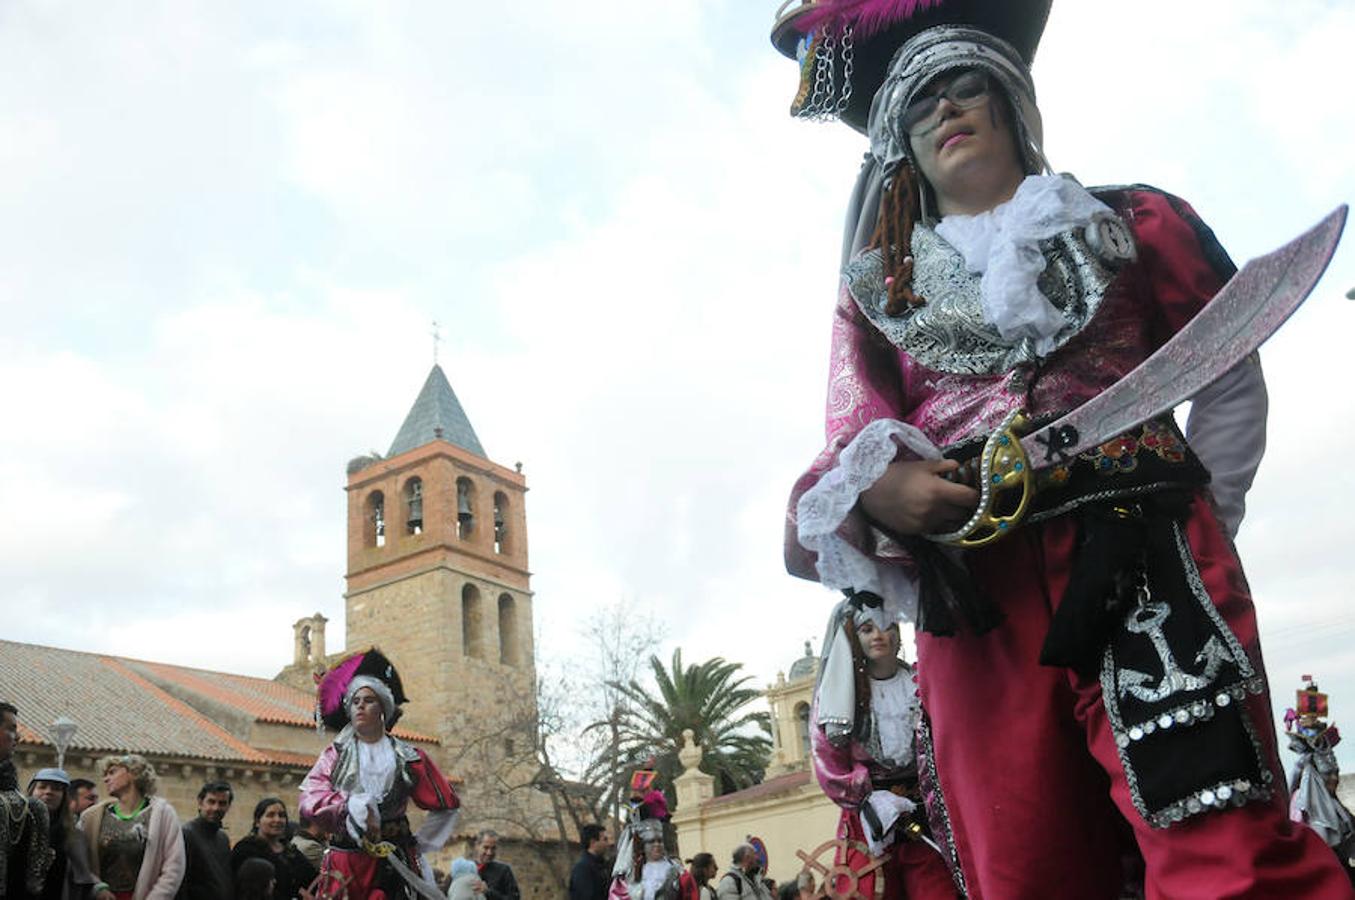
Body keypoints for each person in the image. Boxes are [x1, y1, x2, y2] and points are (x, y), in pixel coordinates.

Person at [775, 2, 1355, 897]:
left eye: (967, 87)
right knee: (1025, 865)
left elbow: (1225, 373)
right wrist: (882, 492)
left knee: (1223, 844)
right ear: (901, 144)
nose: (945, 109)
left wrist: (1208, 517)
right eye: (921, 102)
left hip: (1147, 559)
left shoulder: (1135, 222)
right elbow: (851, 439)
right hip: (977, 597)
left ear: (1012, 104)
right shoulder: (876, 293)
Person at [809, 597, 956, 899]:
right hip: (868, 825)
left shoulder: (921, 682)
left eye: (886, 626)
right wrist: (866, 797)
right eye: (866, 629)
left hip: (926, 817)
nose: (878, 635)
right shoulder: (840, 697)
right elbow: (828, 763)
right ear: (855, 637)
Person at [299, 648, 460, 900]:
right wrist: (349, 805)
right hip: (346, 862)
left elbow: (447, 804)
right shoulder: (335, 755)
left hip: (393, 861)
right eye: (355, 701)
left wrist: (421, 843)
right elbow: (309, 799)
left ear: (383, 708)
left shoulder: (409, 756)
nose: (361, 706)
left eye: (369, 700)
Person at [79, 755, 184, 900]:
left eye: (112, 772)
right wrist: (96, 887)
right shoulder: (92, 817)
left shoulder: (162, 814)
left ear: (133, 773)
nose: (105, 779)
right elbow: (77, 859)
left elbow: (174, 866)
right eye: (105, 775)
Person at [1285, 678, 1355, 881]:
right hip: (1309, 799)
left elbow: (1330, 773)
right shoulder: (1305, 762)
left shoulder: (1318, 757)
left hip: (1317, 797)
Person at [28, 769, 95, 900]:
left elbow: (83, 875)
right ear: (32, 791)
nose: (48, 792)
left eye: (56, 788)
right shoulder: (16, 827)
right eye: (42, 787)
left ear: (64, 796)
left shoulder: (74, 836)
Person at [229, 799, 313, 900]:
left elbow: (310, 876)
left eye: (281, 815)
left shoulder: (290, 850)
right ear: (257, 822)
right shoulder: (246, 849)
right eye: (270, 815)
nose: (277, 820)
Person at [179, 782, 233, 900]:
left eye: (222, 803)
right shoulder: (187, 834)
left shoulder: (223, 839)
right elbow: (180, 882)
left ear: (228, 807)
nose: (216, 808)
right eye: (211, 802)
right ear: (200, 803)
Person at [568, 825, 611, 900]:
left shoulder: (604, 865)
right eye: (605, 839)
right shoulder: (582, 869)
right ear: (593, 842)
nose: (608, 844)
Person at [470, 833, 516, 900]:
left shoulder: (504, 871)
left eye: (493, 848)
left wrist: (488, 892)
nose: (489, 852)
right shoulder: (464, 869)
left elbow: (514, 898)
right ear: (477, 846)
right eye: (486, 847)